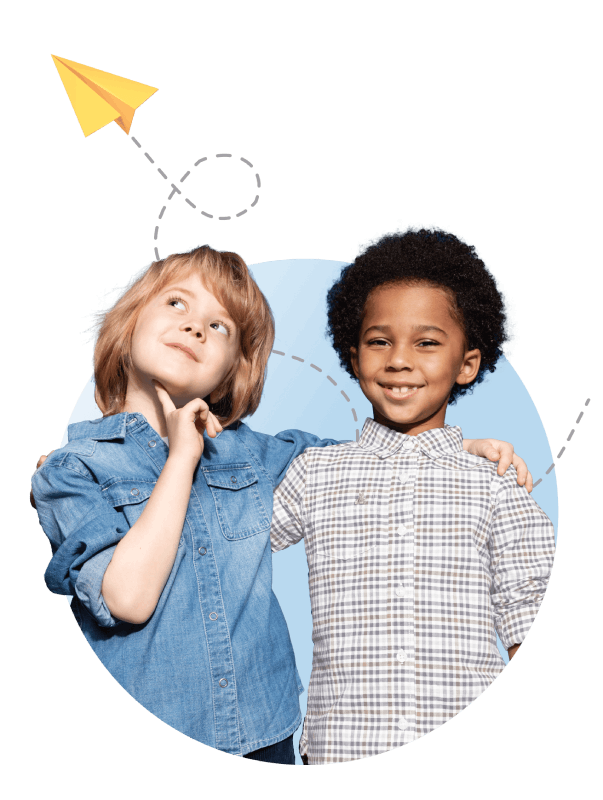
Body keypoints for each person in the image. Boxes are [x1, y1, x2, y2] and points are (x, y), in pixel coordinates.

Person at [30, 244, 534, 765]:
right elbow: (127, 600)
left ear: (233, 371)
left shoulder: (256, 456)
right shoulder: (73, 472)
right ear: (129, 324)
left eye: (219, 325)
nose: (196, 327)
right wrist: (183, 457)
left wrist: (456, 448)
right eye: (176, 304)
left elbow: (371, 459)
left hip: (267, 733)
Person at [269, 224, 555, 765]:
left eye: (427, 342)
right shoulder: (314, 473)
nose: (399, 360)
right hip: (340, 748)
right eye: (379, 341)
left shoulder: (494, 483)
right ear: (353, 357)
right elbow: (231, 539)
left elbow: (527, 611)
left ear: (467, 363)